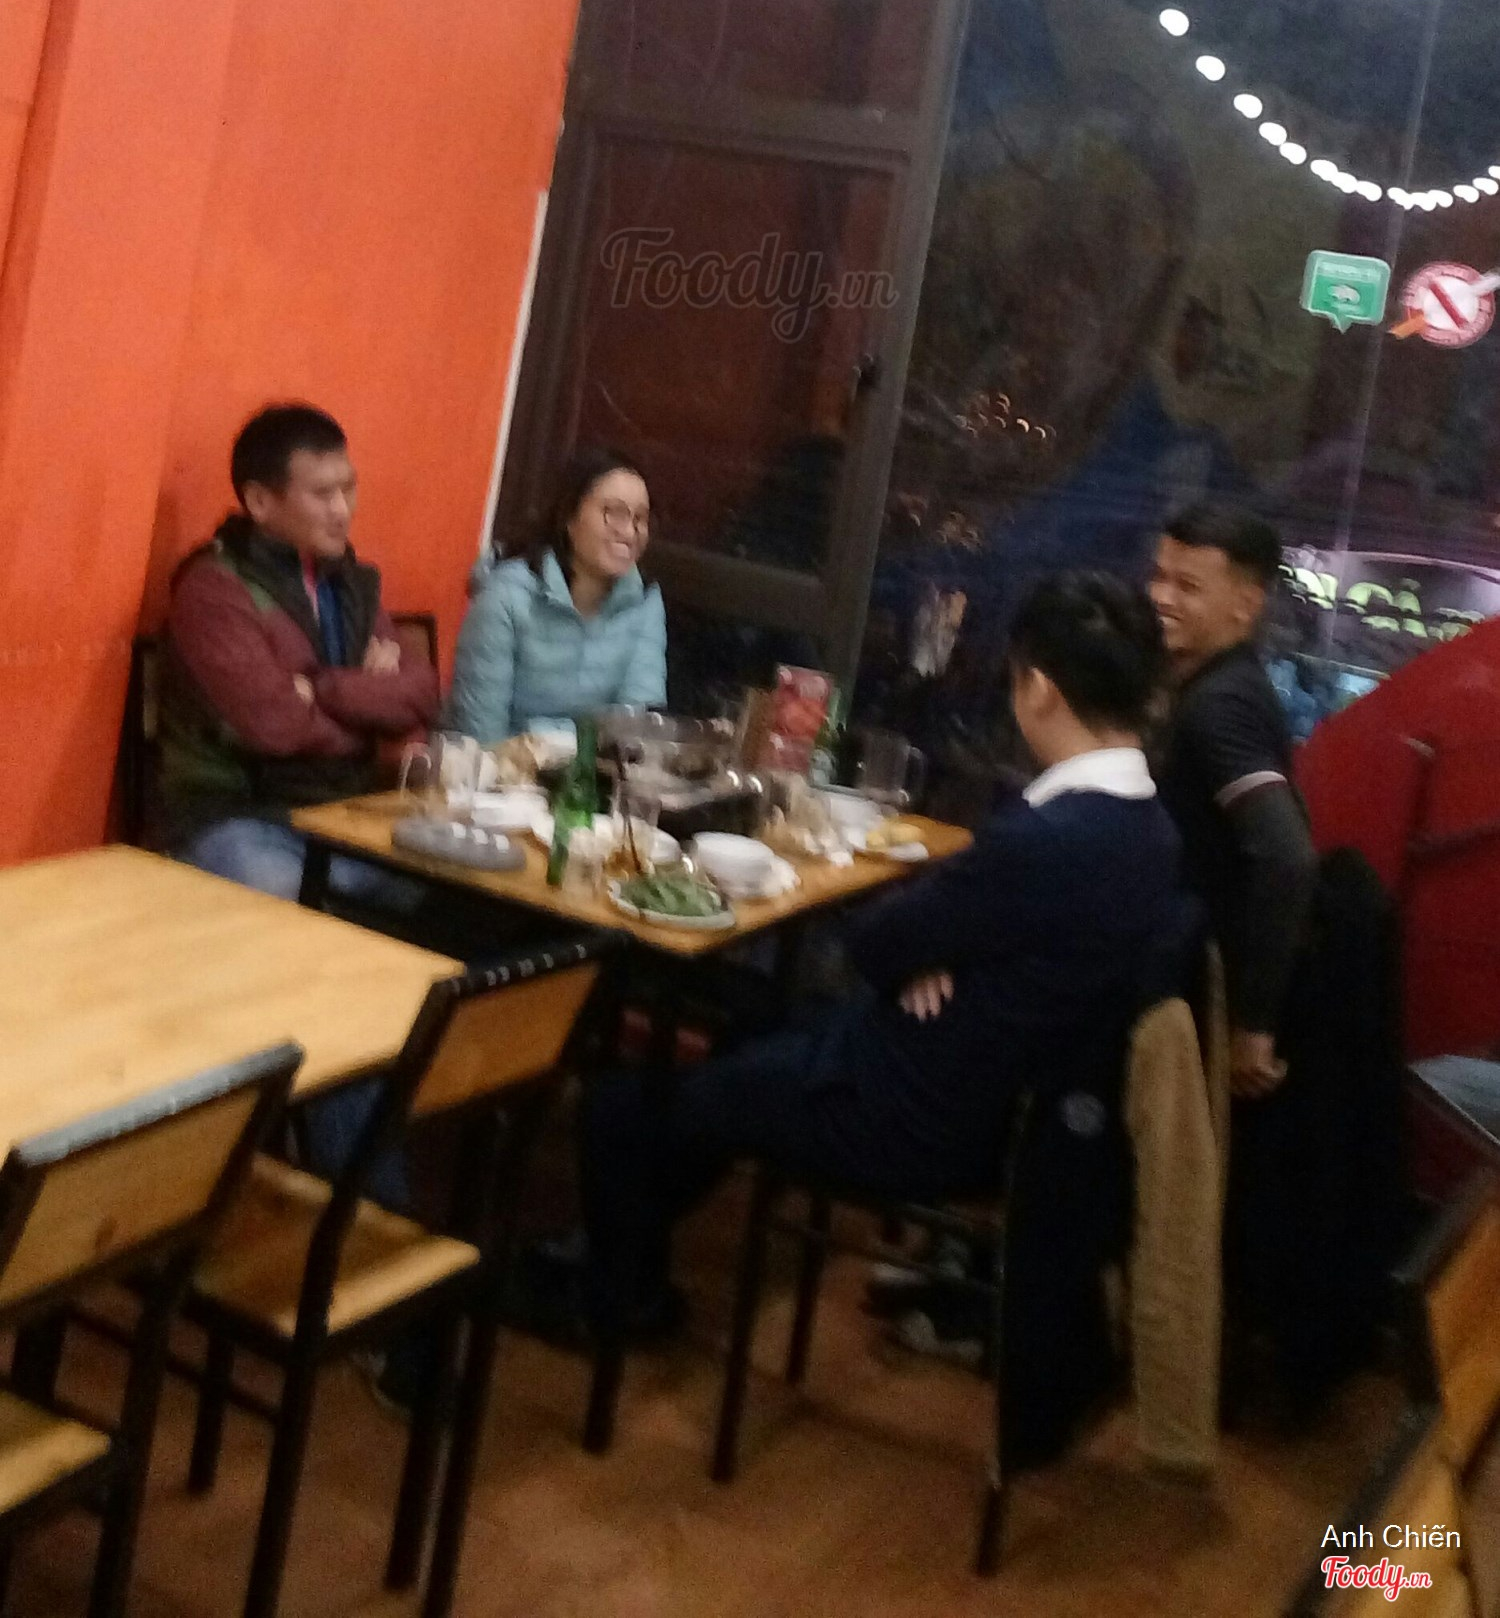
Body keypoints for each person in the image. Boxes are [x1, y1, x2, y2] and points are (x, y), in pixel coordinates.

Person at [576, 571, 1183, 1343]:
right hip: (999, 1111)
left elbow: (876, 941)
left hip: (908, 1114)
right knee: (747, 1025)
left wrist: (929, 949)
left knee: (619, 1109)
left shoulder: (1046, 838)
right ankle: (633, 1254)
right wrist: (940, 954)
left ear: (1039, 689)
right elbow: (937, 940)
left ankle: (617, 1306)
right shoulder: (1152, 834)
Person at [158, 404, 439, 897]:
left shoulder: (348, 582)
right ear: (260, 501)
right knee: (281, 890)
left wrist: (321, 688)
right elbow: (276, 726)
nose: (342, 510)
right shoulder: (213, 590)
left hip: (338, 807)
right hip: (234, 813)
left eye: (348, 488)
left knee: (445, 884)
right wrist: (370, 714)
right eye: (322, 494)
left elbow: (420, 692)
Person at [1149, 502, 1318, 1100]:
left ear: (1245, 605)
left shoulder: (1220, 705)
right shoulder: (1210, 686)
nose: (1161, 597)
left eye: (1187, 586)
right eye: (1159, 576)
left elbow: (1287, 856)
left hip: (1198, 987)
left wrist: (1254, 1022)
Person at [447, 448, 666, 744]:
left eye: (640, 518)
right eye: (614, 513)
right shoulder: (505, 597)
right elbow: (481, 739)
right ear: (569, 517)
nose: (629, 532)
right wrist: (580, 743)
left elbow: (638, 733)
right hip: (500, 769)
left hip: (596, 770)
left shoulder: (644, 600)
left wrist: (563, 744)